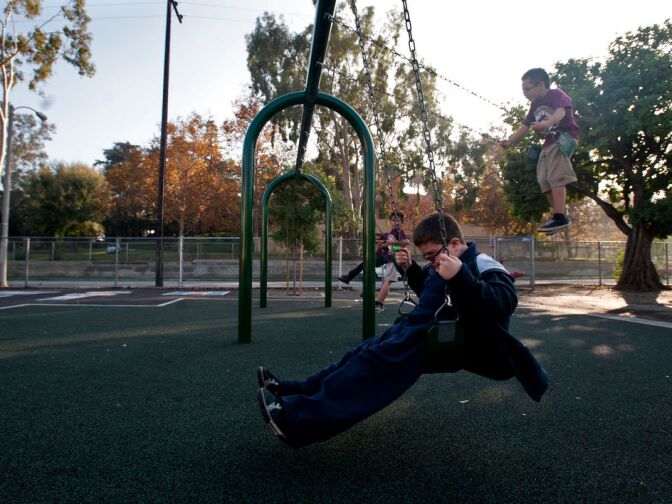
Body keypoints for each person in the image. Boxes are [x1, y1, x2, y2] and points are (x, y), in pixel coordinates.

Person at [257, 212, 549, 448]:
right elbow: (433, 294)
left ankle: (296, 422)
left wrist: (461, 276)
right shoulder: (442, 265)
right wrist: (411, 269)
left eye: (434, 255)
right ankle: (289, 391)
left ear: (456, 243)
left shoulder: (483, 264)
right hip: (416, 326)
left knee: (373, 367)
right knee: (359, 354)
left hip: (447, 339)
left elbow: (503, 302)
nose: (433, 263)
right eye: (428, 259)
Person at [500, 67, 580, 234]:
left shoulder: (557, 95)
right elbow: (525, 126)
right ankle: (558, 216)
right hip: (548, 143)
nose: (525, 93)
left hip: (563, 138)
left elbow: (560, 113)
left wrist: (546, 123)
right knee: (543, 179)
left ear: (541, 85)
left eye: (527, 89)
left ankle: (559, 216)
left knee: (556, 176)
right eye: (523, 90)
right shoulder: (534, 104)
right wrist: (510, 141)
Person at [338, 211, 409, 311]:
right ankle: (356, 283)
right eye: (393, 220)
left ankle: (379, 302)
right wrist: (383, 244)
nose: (395, 223)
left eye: (398, 221)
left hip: (392, 259)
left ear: (401, 223)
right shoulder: (390, 233)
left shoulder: (399, 232)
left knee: (388, 280)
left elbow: (405, 242)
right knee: (367, 263)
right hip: (384, 257)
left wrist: (391, 243)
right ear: (390, 222)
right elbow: (390, 247)